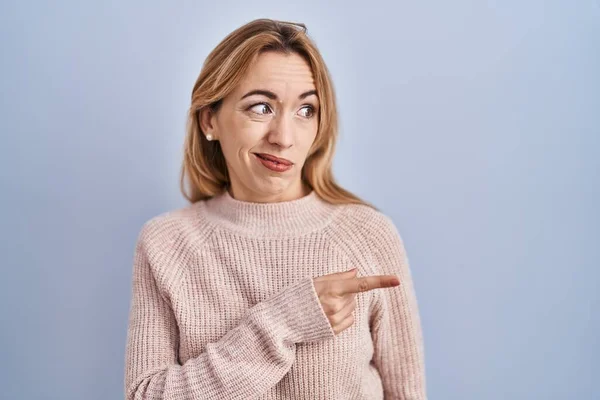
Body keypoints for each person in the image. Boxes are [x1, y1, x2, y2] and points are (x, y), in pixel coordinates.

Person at [124, 18, 427, 400]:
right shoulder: (166, 243)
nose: (283, 138)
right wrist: (283, 322)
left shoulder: (368, 235)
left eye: (305, 111)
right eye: (261, 107)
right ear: (209, 120)